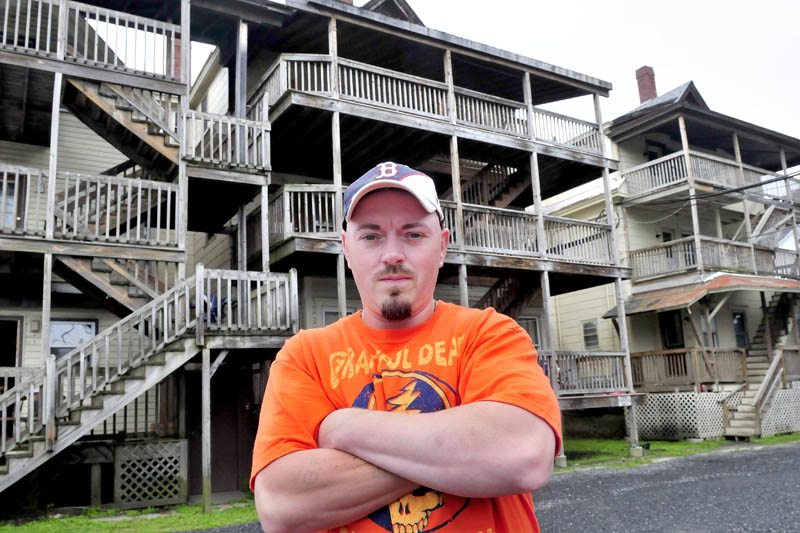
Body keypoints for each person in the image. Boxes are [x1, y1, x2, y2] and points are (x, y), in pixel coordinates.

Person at [251, 162, 561, 533]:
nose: (392, 254)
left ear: (443, 246)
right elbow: (281, 505)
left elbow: (521, 455)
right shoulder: (305, 355)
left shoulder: (490, 333)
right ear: (347, 249)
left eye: (413, 235)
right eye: (371, 236)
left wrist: (343, 429)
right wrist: (462, 455)